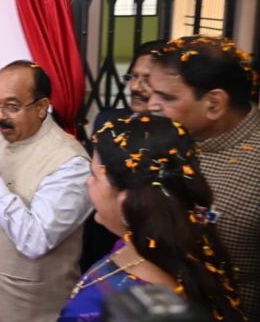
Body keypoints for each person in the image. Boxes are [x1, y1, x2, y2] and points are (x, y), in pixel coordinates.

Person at [0, 60, 92, 322]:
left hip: (29, 311)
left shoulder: (71, 163)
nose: (0, 116)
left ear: (42, 107)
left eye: (12, 106)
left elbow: (36, 240)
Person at [60, 115, 247, 321]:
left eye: (95, 175)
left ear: (126, 202)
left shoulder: (131, 309)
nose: (89, 182)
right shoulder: (165, 245)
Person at [147, 35, 260, 319]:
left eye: (167, 97)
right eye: (152, 93)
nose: (152, 105)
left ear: (214, 104)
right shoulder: (166, 137)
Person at [82, 39, 167, 272]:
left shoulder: (176, 140)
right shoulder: (108, 122)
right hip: (99, 238)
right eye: (133, 77)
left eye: (147, 80)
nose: (136, 87)